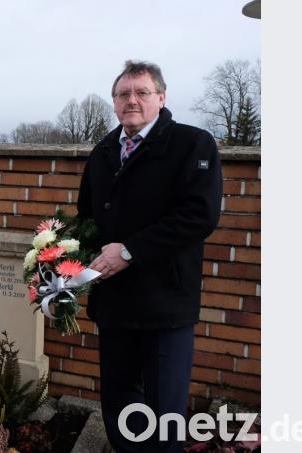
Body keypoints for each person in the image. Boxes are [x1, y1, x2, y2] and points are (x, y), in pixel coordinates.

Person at [77, 60, 223, 452]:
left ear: (161, 97)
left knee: (164, 415)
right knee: (119, 407)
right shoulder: (103, 152)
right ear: (114, 102)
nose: (132, 100)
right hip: (114, 305)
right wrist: (62, 266)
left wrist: (129, 250)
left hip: (165, 306)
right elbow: (85, 221)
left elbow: (199, 216)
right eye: (124, 94)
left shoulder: (193, 145)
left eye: (142, 92)